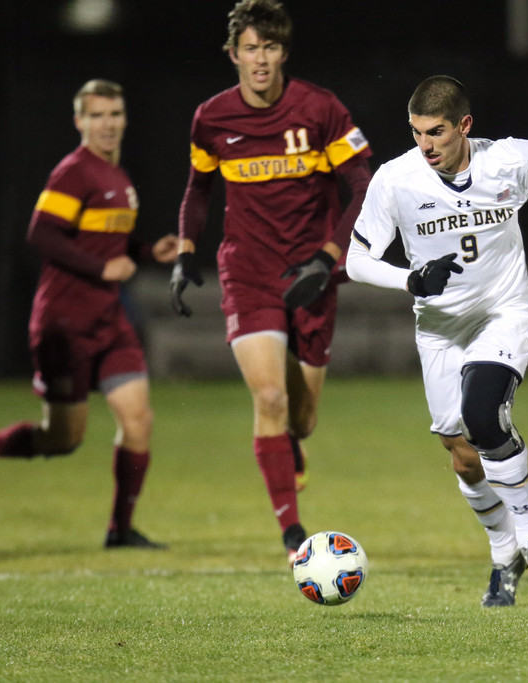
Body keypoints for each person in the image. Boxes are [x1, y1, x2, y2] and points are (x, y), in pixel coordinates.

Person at [346, 75, 528, 607]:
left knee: (483, 415)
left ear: (465, 125)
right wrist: (411, 280)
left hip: (503, 311)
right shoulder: (396, 179)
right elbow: (357, 260)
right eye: (416, 133)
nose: (425, 145)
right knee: (462, 456)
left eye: (436, 132)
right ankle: (504, 551)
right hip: (440, 327)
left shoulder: (507, 160)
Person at [168, 0, 372, 563]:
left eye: (271, 48)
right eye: (251, 48)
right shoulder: (212, 118)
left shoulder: (321, 109)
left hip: (314, 274)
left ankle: (290, 445)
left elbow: (365, 186)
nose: (261, 59)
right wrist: (185, 252)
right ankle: (292, 531)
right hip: (249, 273)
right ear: (233, 54)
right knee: (270, 396)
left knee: (301, 419)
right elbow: (198, 188)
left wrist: (328, 257)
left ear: (284, 53)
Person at [0, 79, 178, 548]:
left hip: (109, 322)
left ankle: (120, 529)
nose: (107, 124)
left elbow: (107, 243)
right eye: (97, 115)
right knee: (62, 438)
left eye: (115, 114)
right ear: (79, 121)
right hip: (64, 326)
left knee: (138, 419)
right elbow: (42, 233)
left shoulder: (118, 177)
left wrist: (145, 251)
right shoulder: (74, 172)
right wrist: (102, 268)